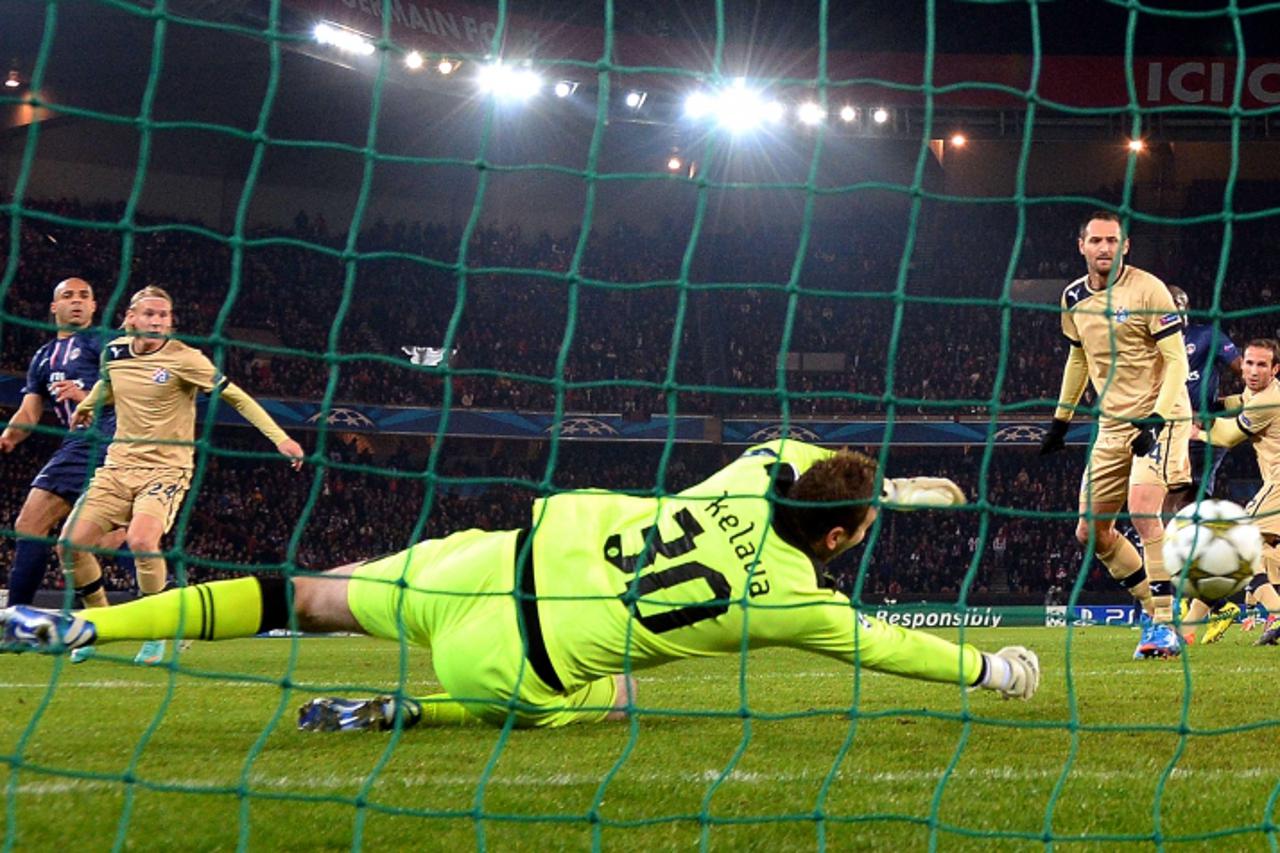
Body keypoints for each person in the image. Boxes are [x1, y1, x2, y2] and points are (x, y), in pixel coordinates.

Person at [2, 440, 1042, 731]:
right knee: (618, 691)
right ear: (847, 533)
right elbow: (889, 646)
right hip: (511, 662)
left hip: (482, 561)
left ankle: (89, 626)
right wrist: (991, 667)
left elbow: (803, 455)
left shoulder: (756, 460)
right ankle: (408, 709)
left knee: (302, 594)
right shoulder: (797, 600)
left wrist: (887, 483)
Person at [58, 285, 305, 665]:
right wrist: (88, 406)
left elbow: (235, 396)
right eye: (150, 314)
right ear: (131, 318)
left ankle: (156, 633)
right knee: (70, 546)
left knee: (141, 539)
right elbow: (110, 386)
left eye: (164, 316)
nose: (157, 321)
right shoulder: (115, 352)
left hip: (166, 469)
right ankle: (96, 624)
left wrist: (281, 438)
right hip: (117, 466)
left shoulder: (187, 360)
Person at [1039, 211, 1192, 659]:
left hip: (1161, 415)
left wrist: (1157, 419)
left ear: (1125, 246)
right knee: (1091, 533)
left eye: (1113, 241)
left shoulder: (1149, 290)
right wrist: (1061, 420)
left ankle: (1164, 625)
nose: (1105, 248)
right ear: (1081, 246)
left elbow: (1177, 361)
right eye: (1096, 241)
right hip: (1112, 422)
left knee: (1144, 510)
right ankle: (1154, 607)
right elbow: (1078, 360)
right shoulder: (1072, 297)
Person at [1, 278, 132, 606]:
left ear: (93, 306)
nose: (76, 301)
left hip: (106, 438)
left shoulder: (101, 342)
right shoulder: (43, 358)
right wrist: (9, 436)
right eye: (68, 296)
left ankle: (17, 617)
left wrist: (85, 396)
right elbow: (29, 413)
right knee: (81, 539)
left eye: (84, 296)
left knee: (35, 524)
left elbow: (131, 392)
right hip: (77, 445)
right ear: (53, 307)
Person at [1166, 286, 1243, 643]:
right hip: (1167, 435)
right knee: (1171, 523)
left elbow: (1245, 368)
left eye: (1178, 306)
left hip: (1200, 439)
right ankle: (1211, 601)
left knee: (1180, 519)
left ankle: (1199, 602)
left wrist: (1230, 406)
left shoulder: (1206, 336)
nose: (1173, 311)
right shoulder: (1152, 342)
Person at [1192, 338, 1280, 647]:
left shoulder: (1269, 400)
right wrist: (1210, 404)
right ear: (1241, 364)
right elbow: (1239, 402)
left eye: (1262, 365)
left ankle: (1275, 611)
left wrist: (1196, 431)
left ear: (1275, 369)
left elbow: (1228, 436)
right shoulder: (1256, 394)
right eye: (1249, 363)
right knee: (1264, 553)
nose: (1254, 371)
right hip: (1274, 482)